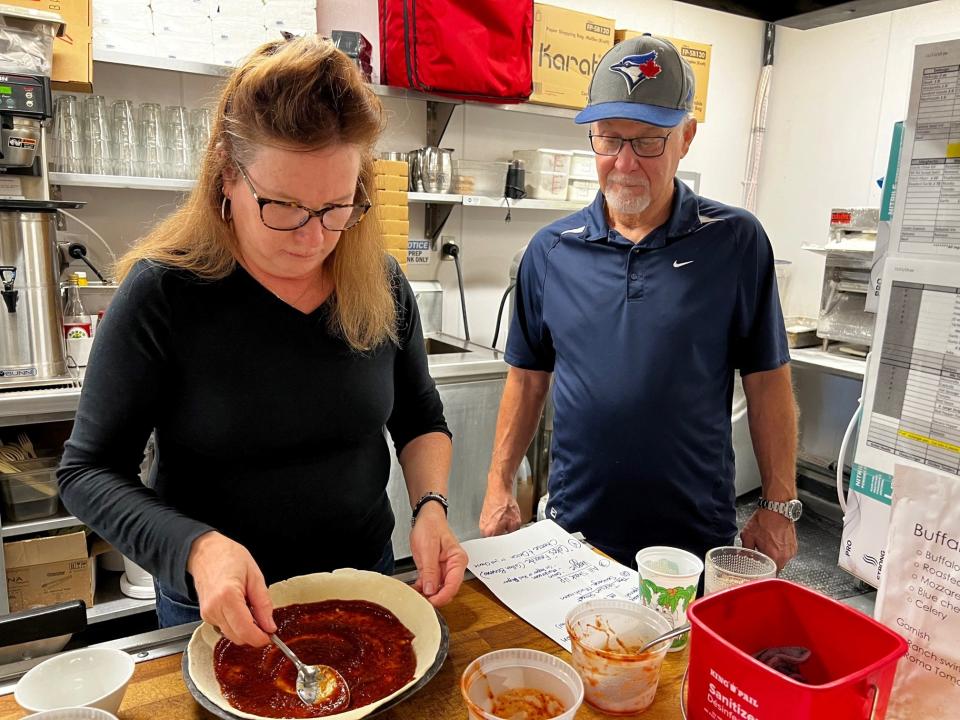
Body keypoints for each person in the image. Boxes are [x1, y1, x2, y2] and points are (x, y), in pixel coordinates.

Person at [57, 36, 466, 646]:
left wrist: (431, 504)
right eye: (283, 205)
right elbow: (88, 471)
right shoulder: (164, 293)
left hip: (363, 584)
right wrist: (196, 548)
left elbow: (419, 417)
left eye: (336, 207)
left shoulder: (379, 282)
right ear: (227, 174)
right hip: (225, 613)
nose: (312, 236)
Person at [479, 34, 799, 571]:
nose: (625, 163)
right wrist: (498, 485)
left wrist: (778, 504)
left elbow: (767, 379)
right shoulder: (550, 252)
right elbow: (527, 377)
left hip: (693, 540)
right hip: (573, 535)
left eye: (648, 142)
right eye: (609, 140)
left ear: (686, 138)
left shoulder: (735, 242)